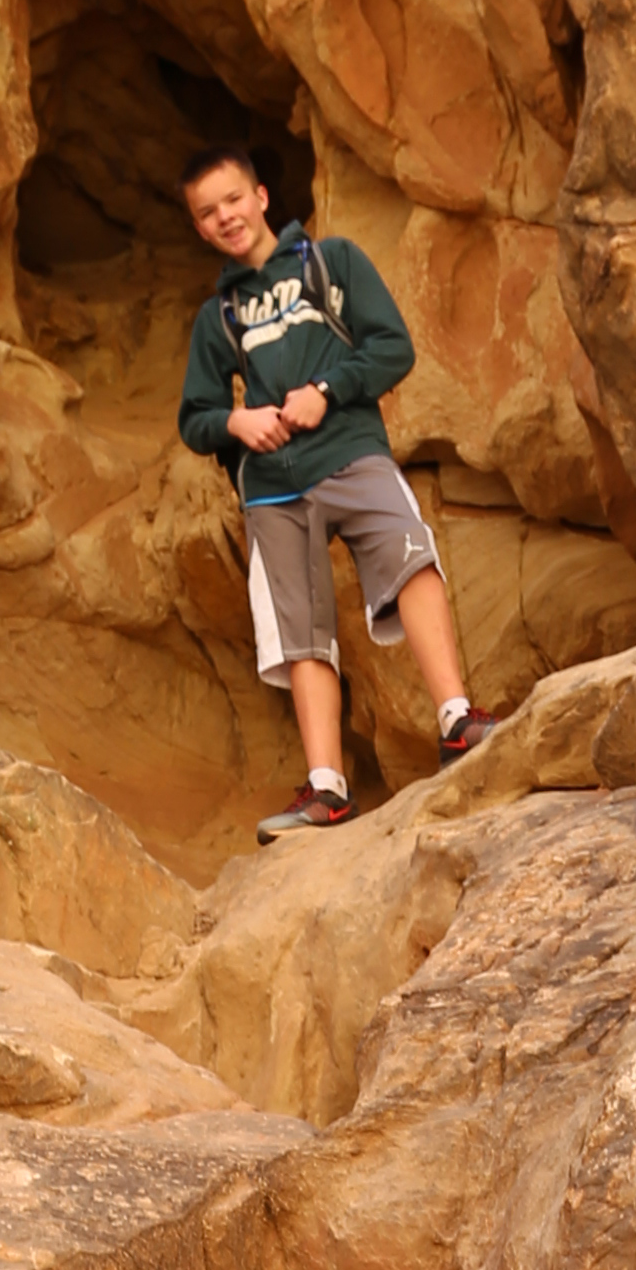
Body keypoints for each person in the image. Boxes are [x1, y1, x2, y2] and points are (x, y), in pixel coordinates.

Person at [174, 145, 498, 839]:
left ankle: (456, 719)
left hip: (350, 450)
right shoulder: (219, 316)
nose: (225, 217)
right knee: (300, 629)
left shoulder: (333, 262)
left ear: (261, 196)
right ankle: (327, 788)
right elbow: (195, 418)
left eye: (232, 200)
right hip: (271, 490)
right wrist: (237, 418)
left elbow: (391, 347)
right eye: (207, 212)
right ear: (199, 229)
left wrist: (326, 391)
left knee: (410, 556)